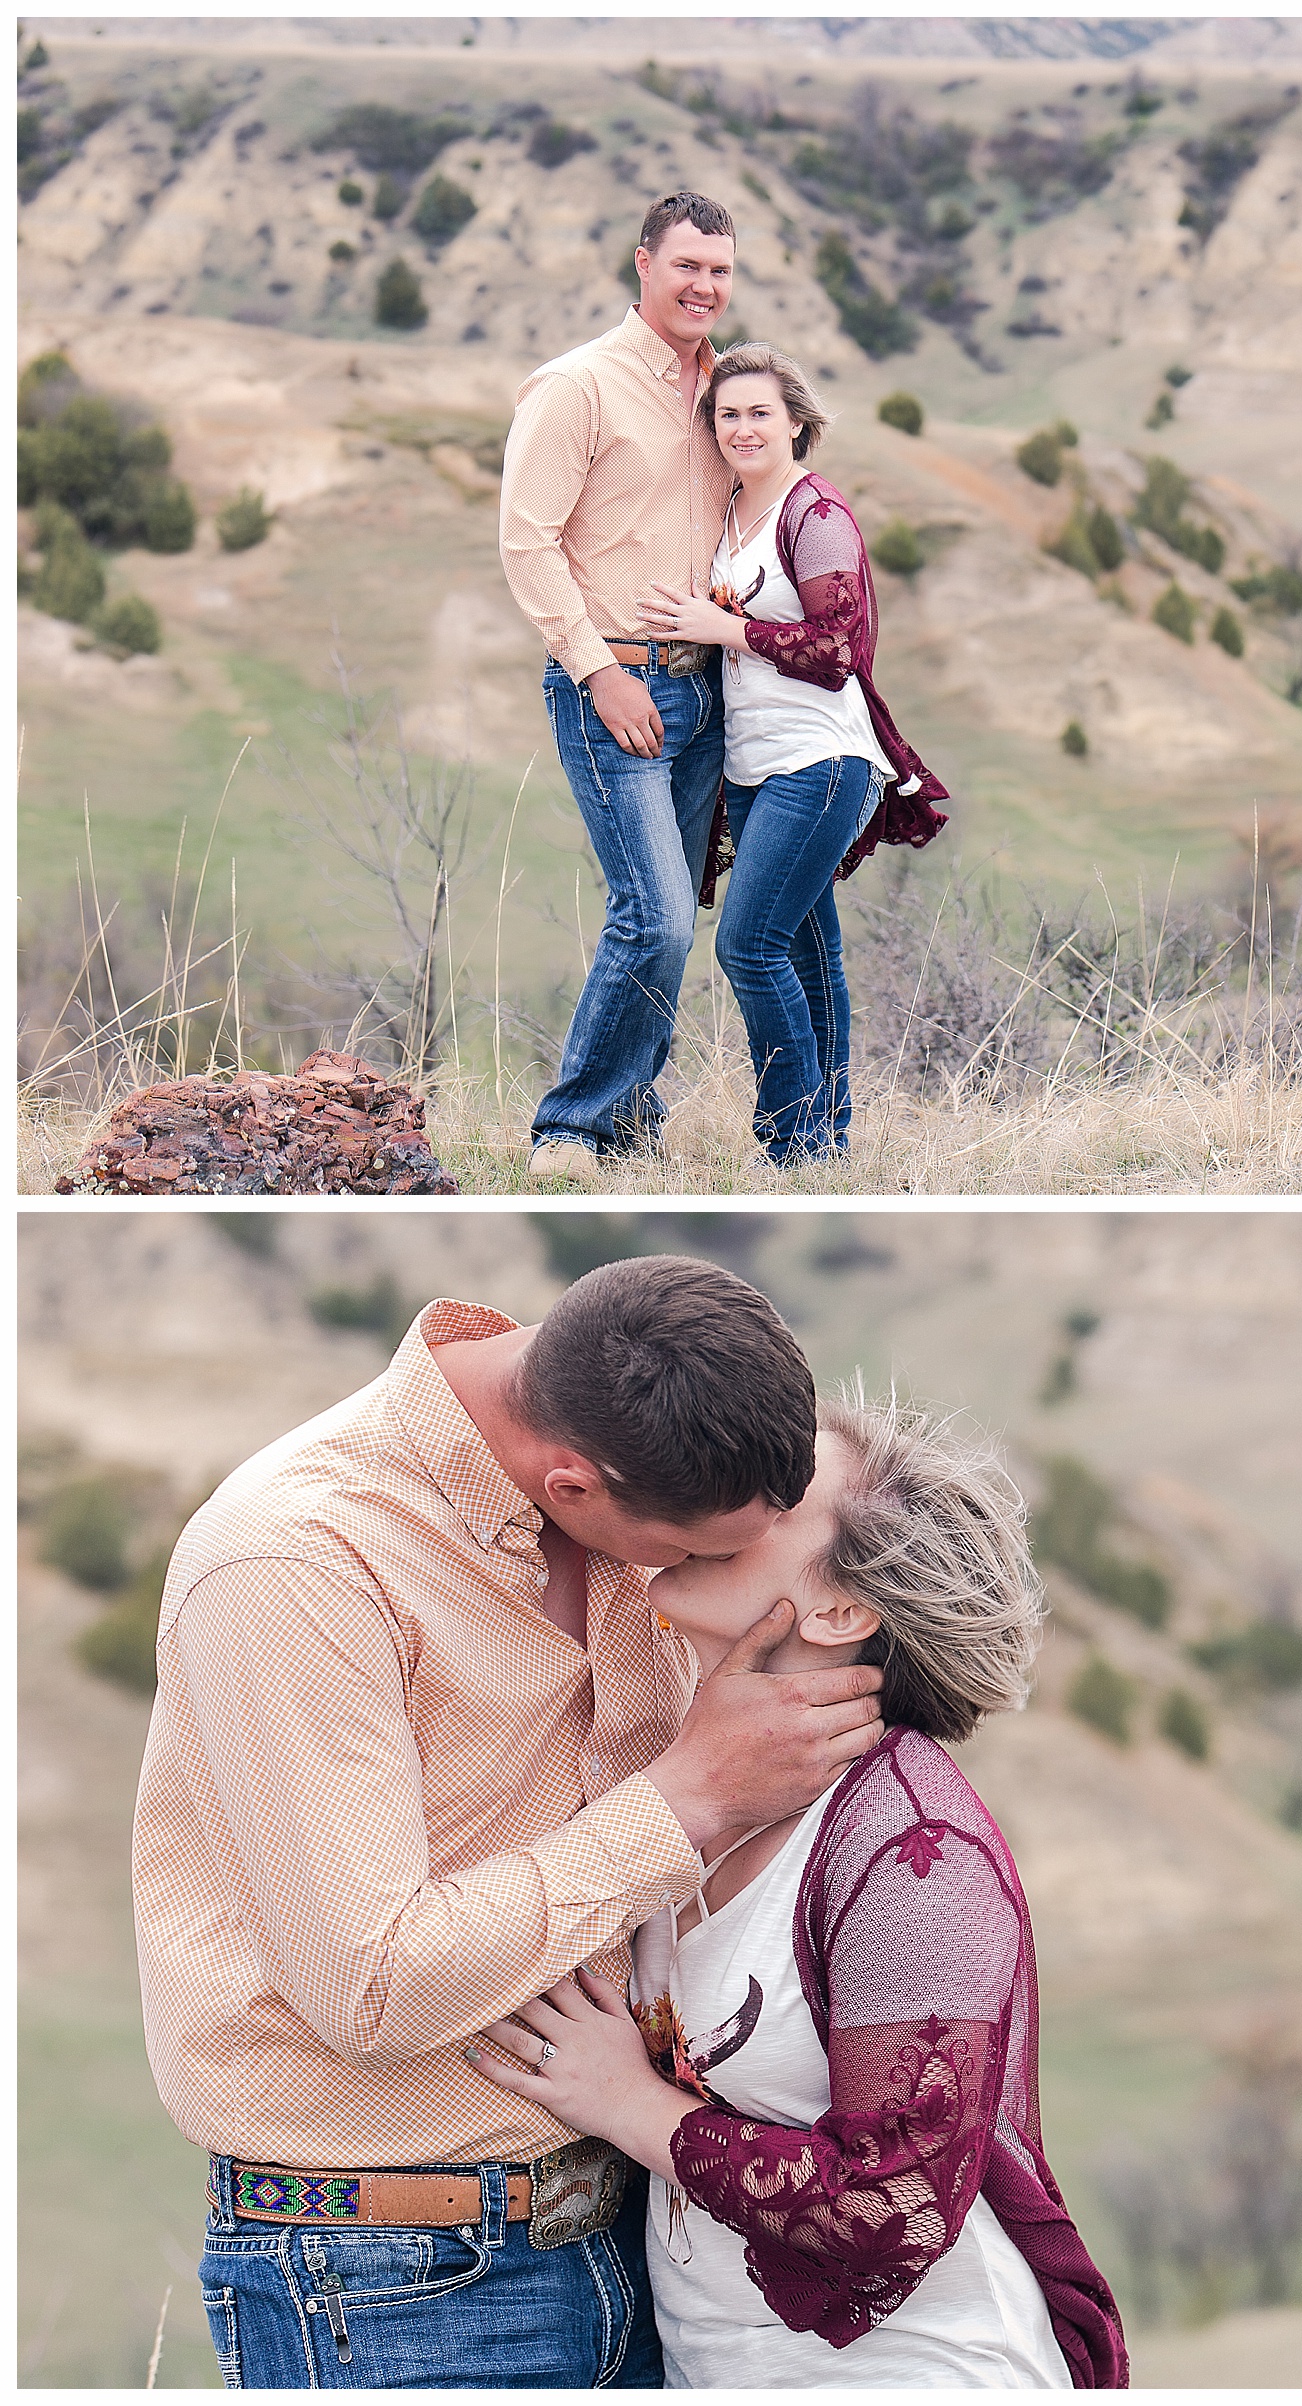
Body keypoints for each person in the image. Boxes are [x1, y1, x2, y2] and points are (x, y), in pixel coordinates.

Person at [132, 1256, 886, 2390]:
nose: (703, 1580)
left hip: (652, 2228)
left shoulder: (630, 1456)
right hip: (393, 2273)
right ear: (572, 1481)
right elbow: (368, 1984)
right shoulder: (294, 1562)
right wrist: (690, 1796)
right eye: (690, 1552)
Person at [467, 1394, 1128, 2389]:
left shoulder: (915, 1847)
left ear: (839, 1609)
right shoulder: (683, 1778)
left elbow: (895, 2208)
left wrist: (625, 2103)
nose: (732, 1491)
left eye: (780, 1493)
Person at [640, 346, 948, 1163]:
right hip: (751, 764)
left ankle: (791, 1142)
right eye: (727, 414)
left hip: (821, 762)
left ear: (798, 423)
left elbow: (838, 649)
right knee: (809, 955)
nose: (742, 429)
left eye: (759, 413)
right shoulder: (731, 515)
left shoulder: (814, 515)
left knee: (748, 944)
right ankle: (827, 1143)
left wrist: (727, 628)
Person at [498, 192, 740, 1185]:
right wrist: (599, 672)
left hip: (710, 689)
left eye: (720, 270)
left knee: (679, 906)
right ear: (643, 264)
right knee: (657, 914)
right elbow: (526, 540)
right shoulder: (577, 387)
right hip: (617, 688)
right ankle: (572, 1129)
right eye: (686, 265)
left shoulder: (729, 389)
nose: (704, 286)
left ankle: (636, 1111)